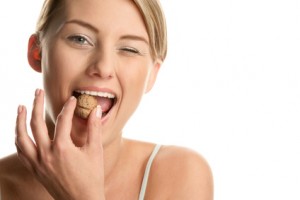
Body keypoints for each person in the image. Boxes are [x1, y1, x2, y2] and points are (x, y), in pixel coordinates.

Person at [0, 0, 213, 199]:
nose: (103, 67)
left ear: (152, 75)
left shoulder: (180, 174)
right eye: (80, 39)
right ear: (37, 52)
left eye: (129, 49)